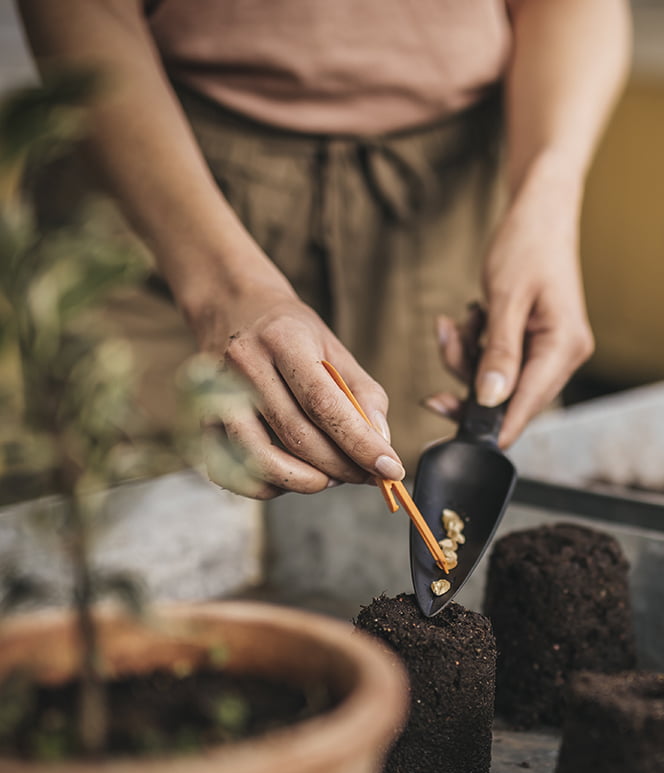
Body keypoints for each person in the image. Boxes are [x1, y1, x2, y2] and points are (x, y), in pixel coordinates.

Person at [17, 0, 631, 499]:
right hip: (152, 181)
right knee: (122, 526)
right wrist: (222, 287)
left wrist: (547, 198)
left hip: (448, 204)